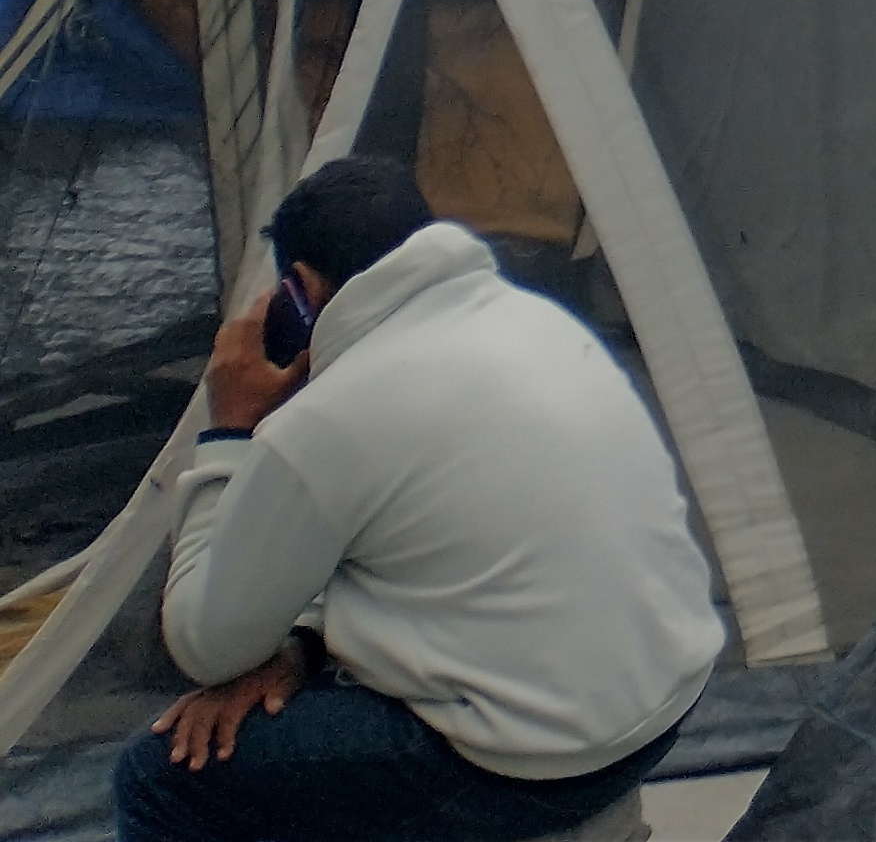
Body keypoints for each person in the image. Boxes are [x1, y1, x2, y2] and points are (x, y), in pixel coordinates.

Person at [117, 156, 725, 840]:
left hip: (535, 762)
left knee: (159, 779)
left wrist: (229, 429)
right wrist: (299, 649)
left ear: (301, 290)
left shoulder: (324, 423)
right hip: (667, 704)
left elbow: (205, 646)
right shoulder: (540, 322)